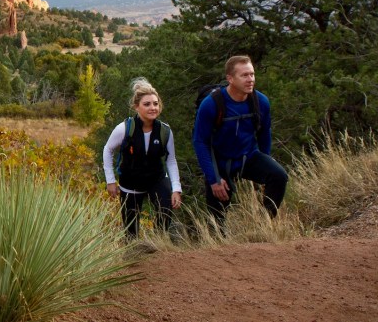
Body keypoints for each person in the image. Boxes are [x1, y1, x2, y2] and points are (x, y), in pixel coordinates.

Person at [192, 55, 288, 223]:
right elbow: (200, 142)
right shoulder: (211, 104)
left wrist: (265, 163)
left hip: (248, 157)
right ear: (230, 78)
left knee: (279, 176)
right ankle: (219, 243)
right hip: (220, 162)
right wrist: (214, 179)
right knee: (218, 219)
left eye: (252, 74)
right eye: (244, 75)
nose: (250, 79)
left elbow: (264, 133)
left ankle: (264, 223)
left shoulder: (261, 101)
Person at [103, 78, 182, 237]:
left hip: (156, 178)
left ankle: (159, 245)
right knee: (131, 227)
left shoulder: (165, 131)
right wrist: (110, 180)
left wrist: (176, 188)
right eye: (147, 104)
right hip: (130, 182)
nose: (153, 107)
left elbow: (171, 160)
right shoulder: (125, 128)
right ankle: (133, 255)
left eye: (155, 103)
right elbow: (107, 150)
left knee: (165, 210)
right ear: (136, 107)